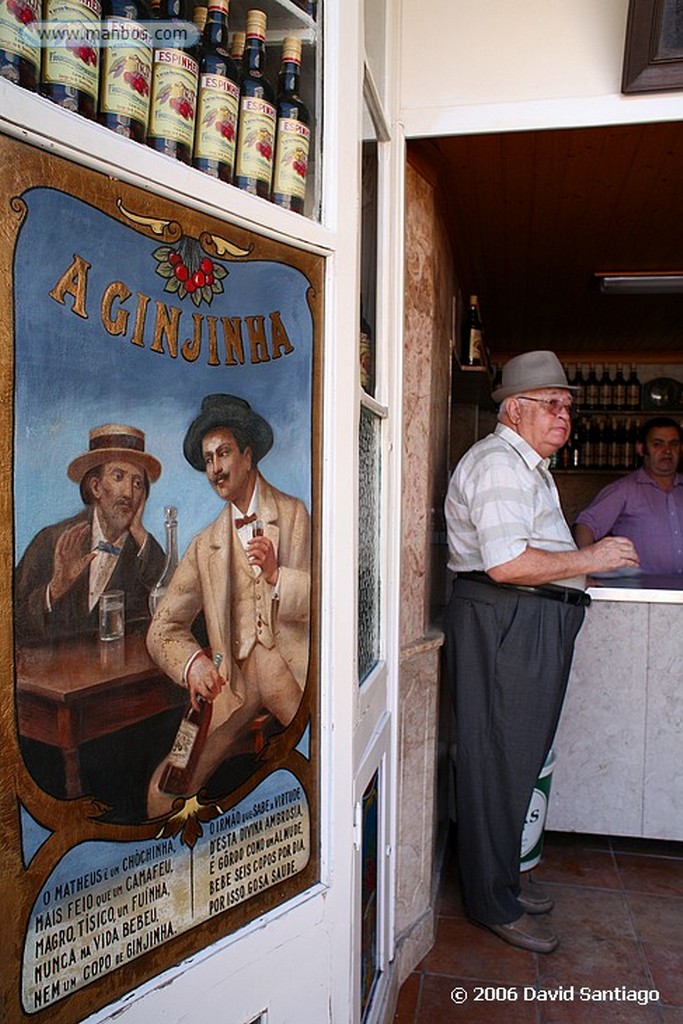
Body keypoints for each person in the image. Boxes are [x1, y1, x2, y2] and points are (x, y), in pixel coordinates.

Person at [444, 350, 639, 954]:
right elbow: (506, 565)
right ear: (515, 410)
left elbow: (531, 555)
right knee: (497, 764)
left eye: (568, 406)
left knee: (515, 762)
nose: (565, 416)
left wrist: (572, 574)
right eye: (552, 405)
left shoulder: (526, 466)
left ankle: (500, 880)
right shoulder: (500, 464)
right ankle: (491, 900)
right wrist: (591, 558)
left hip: (525, 620)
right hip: (509, 621)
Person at [146, 393, 310, 818]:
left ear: (248, 454)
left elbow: (323, 603)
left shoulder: (293, 516)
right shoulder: (205, 547)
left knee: (321, 759)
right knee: (165, 788)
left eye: (223, 453)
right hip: (229, 684)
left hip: (293, 672)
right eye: (207, 460)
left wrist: (277, 578)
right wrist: (192, 664)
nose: (215, 469)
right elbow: (162, 628)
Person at [14, 423, 165, 644]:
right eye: (118, 476)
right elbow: (12, 622)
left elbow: (179, 610)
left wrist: (139, 533)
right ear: (95, 487)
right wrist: (55, 588)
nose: (128, 493)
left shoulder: (145, 554)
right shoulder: (51, 541)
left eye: (137, 483)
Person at [574, 416, 683, 576]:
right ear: (641, 449)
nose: (667, 451)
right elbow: (585, 525)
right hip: (638, 593)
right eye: (657, 444)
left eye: (673, 444)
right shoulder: (623, 490)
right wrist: (586, 568)